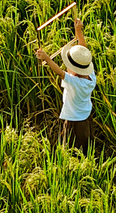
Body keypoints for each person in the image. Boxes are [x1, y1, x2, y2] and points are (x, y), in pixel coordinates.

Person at [35, 18, 96, 150]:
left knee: (70, 145)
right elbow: (83, 50)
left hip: (74, 120)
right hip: (85, 117)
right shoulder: (91, 77)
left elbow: (59, 72)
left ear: (74, 70)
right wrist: (78, 31)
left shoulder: (75, 82)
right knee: (85, 142)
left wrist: (46, 58)